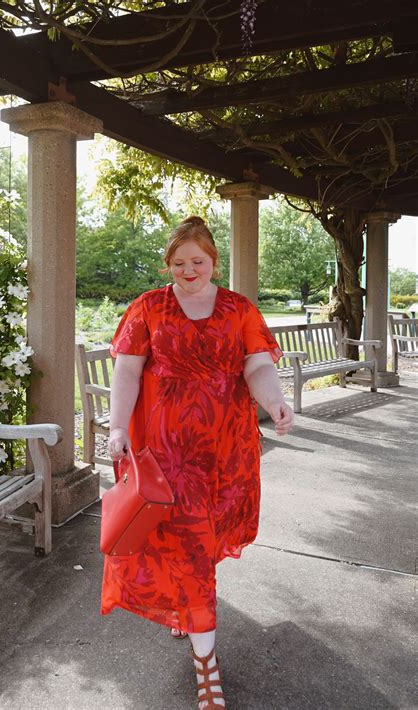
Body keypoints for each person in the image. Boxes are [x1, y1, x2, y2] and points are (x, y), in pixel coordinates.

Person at [101, 216, 294, 709]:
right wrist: (118, 427)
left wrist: (274, 403)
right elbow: (127, 370)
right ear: (169, 264)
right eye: (180, 262)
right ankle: (206, 662)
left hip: (226, 453)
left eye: (199, 261)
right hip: (166, 458)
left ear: (213, 261)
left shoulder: (238, 309)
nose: (190, 270)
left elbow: (258, 364)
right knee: (185, 544)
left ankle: (184, 608)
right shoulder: (148, 307)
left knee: (201, 545)